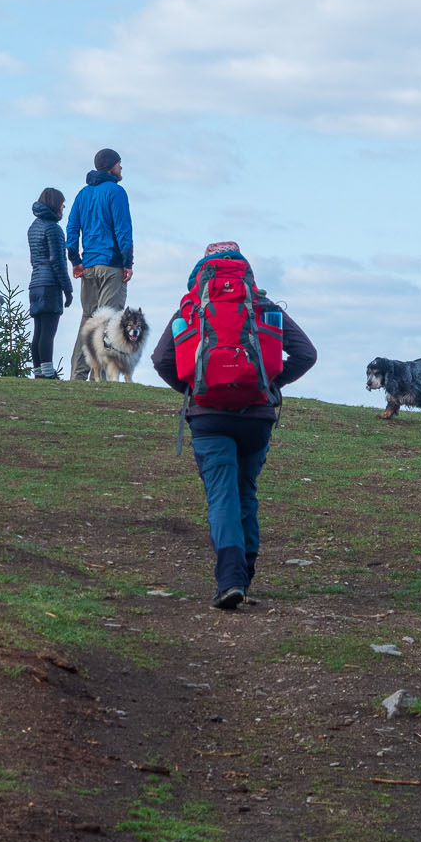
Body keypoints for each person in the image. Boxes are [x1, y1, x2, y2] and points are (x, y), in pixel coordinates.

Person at [150, 241, 317, 609]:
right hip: (256, 417)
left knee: (222, 496)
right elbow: (307, 354)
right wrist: (270, 383)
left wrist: (195, 388)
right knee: (245, 492)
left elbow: (161, 359)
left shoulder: (191, 308)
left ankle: (230, 579)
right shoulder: (263, 307)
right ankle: (246, 574)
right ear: (245, 271)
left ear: (202, 271)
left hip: (208, 417)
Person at [64, 147, 132, 380]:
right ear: (111, 166)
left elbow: (71, 230)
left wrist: (75, 260)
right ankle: (100, 378)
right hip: (111, 265)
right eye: (119, 163)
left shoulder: (83, 194)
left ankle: (78, 374)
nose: (121, 167)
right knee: (110, 320)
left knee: (88, 319)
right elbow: (123, 229)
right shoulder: (116, 192)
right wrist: (127, 262)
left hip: (89, 266)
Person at [26, 187, 73, 378]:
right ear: (55, 204)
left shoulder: (34, 227)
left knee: (38, 329)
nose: (63, 207)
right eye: (62, 203)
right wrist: (68, 289)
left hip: (35, 282)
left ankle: (38, 371)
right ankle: (47, 371)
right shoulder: (53, 229)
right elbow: (58, 261)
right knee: (49, 330)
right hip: (50, 284)